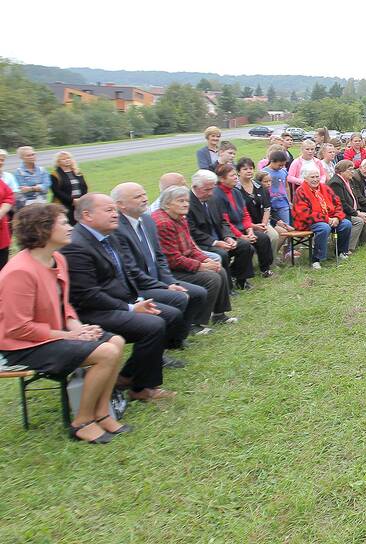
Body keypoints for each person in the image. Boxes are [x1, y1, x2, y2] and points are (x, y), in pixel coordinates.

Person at [0, 203, 129, 443]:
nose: (71, 227)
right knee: (106, 353)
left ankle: (102, 413)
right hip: (22, 346)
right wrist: (67, 336)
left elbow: (64, 304)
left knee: (117, 341)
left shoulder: (57, 258)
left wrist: (76, 326)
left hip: (53, 334)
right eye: (64, 223)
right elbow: (17, 328)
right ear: (43, 230)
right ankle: (82, 421)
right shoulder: (19, 272)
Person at [61, 194, 181, 401]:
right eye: (108, 210)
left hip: (121, 301)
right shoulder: (76, 246)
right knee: (153, 325)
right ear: (87, 215)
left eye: (114, 209)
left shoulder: (109, 235)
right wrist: (131, 308)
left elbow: (130, 272)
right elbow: (88, 295)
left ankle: (126, 376)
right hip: (93, 311)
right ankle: (142, 388)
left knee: (171, 314)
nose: (115, 214)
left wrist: (157, 289)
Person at [112, 182, 211, 340]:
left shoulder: (147, 220)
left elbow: (159, 257)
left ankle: (179, 336)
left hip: (158, 279)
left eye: (144, 194)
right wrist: (165, 286)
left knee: (198, 293)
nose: (144, 199)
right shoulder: (117, 229)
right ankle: (169, 340)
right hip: (138, 286)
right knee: (179, 297)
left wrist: (170, 281)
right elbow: (131, 269)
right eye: (138, 197)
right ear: (121, 205)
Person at [152, 185, 234, 327]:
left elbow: (190, 246)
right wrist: (202, 266)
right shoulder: (163, 223)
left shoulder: (180, 217)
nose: (185, 204)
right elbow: (172, 259)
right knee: (211, 277)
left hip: (183, 262)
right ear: (167, 204)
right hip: (170, 271)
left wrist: (207, 259)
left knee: (219, 269)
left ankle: (219, 315)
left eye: (187, 201)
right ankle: (196, 323)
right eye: (180, 201)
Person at [187, 169, 256, 290]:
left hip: (220, 238)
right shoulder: (187, 203)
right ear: (195, 187)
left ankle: (241, 279)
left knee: (245, 246)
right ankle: (227, 287)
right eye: (207, 190)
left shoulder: (212, 198)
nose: (210, 193)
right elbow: (192, 231)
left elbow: (223, 221)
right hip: (202, 243)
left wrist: (228, 237)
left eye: (212, 188)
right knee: (221, 254)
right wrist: (216, 243)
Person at [213, 163, 275, 280]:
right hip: (229, 234)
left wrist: (250, 230)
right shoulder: (217, 195)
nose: (236, 178)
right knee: (246, 246)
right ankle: (238, 276)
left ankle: (265, 269)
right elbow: (225, 222)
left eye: (235, 175)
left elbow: (245, 214)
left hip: (242, 229)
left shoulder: (235, 191)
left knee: (262, 238)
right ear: (222, 179)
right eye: (232, 176)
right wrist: (241, 236)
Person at [292, 165, 352, 269]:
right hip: (308, 222)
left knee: (346, 224)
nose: (315, 180)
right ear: (305, 178)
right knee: (324, 228)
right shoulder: (300, 191)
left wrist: (337, 217)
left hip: (330, 219)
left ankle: (341, 252)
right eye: (312, 177)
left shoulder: (325, 188)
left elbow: (337, 203)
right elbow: (304, 213)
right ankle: (316, 259)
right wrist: (327, 219)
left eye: (317, 177)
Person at [237, 158, 282, 256]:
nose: (249, 171)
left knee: (274, 236)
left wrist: (264, 225)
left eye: (251, 168)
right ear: (238, 172)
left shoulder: (259, 186)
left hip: (262, 222)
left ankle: (270, 262)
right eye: (245, 169)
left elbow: (267, 208)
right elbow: (237, 213)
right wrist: (252, 226)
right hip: (243, 225)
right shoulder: (235, 189)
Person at [328, 160, 366, 249]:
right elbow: (342, 204)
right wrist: (356, 213)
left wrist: (358, 210)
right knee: (359, 221)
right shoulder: (335, 183)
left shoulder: (348, 180)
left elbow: (355, 197)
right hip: (339, 214)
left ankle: (363, 242)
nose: (352, 172)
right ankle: (348, 247)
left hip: (350, 211)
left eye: (353, 169)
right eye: (350, 170)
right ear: (341, 171)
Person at [49, 151, 88, 226]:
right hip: (63, 205)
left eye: (68, 158)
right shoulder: (55, 175)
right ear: (58, 162)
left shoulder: (77, 172)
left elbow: (84, 187)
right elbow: (57, 192)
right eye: (63, 159)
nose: (67, 160)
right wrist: (72, 201)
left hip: (79, 203)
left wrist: (81, 200)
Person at [14, 146, 51, 211]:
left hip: (42, 201)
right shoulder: (19, 172)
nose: (32, 157)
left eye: (33, 154)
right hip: (27, 203)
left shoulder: (42, 170)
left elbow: (47, 185)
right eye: (28, 155)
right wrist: (39, 187)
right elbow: (23, 190)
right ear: (22, 157)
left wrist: (31, 188)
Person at [261, 149, 292, 226]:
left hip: (283, 203)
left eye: (283, 165)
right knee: (273, 225)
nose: (281, 167)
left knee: (286, 225)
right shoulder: (264, 172)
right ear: (272, 161)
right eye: (279, 165)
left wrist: (289, 200)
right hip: (270, 203)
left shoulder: (283, 171)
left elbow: (286, 186)